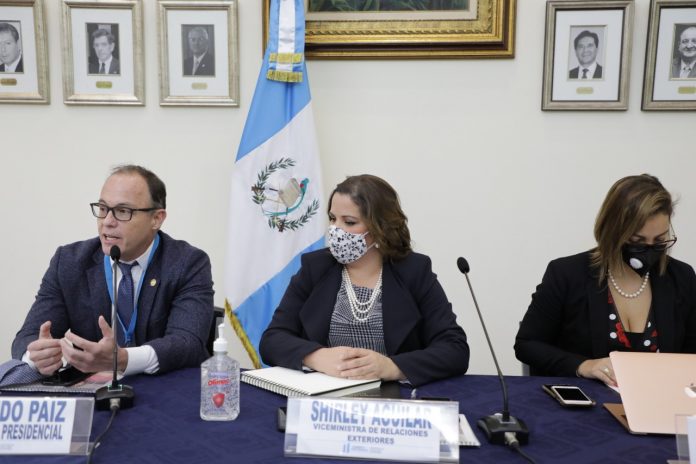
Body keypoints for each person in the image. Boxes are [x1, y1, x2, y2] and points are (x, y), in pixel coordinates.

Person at [259, 175, 470, 387]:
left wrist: (392, 367)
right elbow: (272, 340)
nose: (335, 230)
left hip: (393, 399)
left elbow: (455, 349)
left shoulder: (414, 271)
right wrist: (317, 357)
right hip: (323, 397)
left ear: (380, 228)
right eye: (332, 219)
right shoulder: (315, 268)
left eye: (349, 222)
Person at [11, 165, 214, 377]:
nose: (107, 222)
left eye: (123, 211)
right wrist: (36, 356)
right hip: (94, 390)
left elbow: (187, 342)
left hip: (167, 387)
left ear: (156, 218)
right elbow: (28, 336)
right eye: (102, 209)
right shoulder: (69, 262)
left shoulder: (188, 263)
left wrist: (123, 359)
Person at [515, 174, 696, 386]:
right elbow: (527, 344)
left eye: (659, 240)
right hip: (588, 401)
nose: (650, 250)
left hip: (658, 400)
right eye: (637, 240)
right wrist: (584, 366)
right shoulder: (567, 274)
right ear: (612, 232)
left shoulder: (681, 278)